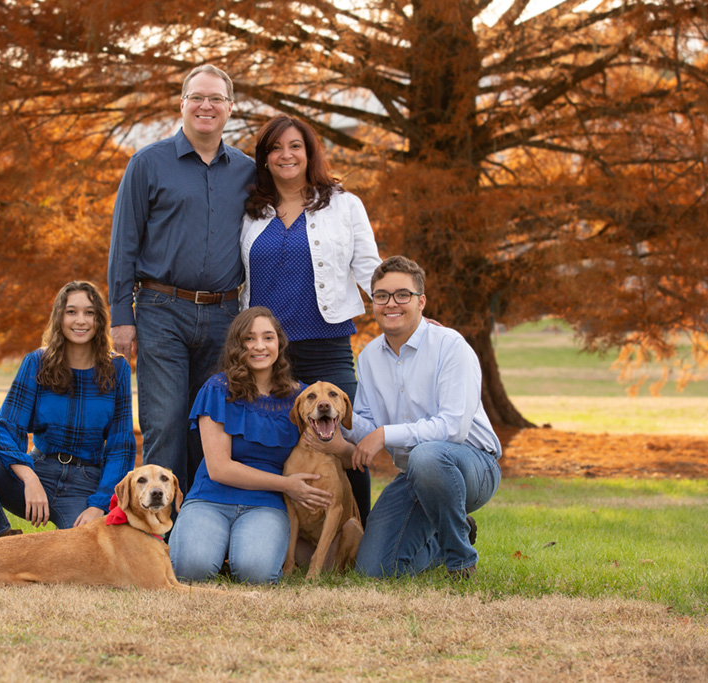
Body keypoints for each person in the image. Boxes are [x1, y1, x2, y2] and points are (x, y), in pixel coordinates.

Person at [108, 64, 256, 495]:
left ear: (230, 108)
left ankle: (199, 534)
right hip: (161, 311)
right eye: (197, 97)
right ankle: (157, 540)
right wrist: (122, 316)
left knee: (211, 426)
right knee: (166, 423)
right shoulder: (147, 164)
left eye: (215, 99)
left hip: (225, 314)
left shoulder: (247, 172)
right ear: (182, 104)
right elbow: (124, 244)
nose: (205, 106)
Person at [305, 256, 502, 580]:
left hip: (473, 467)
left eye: (402, 295)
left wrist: (383, 435)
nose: (390, 303)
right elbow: (365, 423)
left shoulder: (451, 346)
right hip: (415, 474)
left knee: (427, 456)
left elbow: (453, 428)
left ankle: (461, 560)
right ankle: (448, 536)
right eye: (381, 295)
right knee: (374, 570)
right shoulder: (368, 357)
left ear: (421, 301)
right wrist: (338, 428)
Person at [240, 114, 382, 526]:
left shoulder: (344, 205)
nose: (286, 155)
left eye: (295, 146)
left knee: (344, 440)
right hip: (267, 353)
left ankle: (362, 533)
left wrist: (412, 315)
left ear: (310, 152)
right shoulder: (251, 212)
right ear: (264, 159)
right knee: (276, 441)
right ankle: (278, 535)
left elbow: (370, 269)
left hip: (327, 344)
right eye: (275, 148)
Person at [0, 281, 136, 537]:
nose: (80, 320)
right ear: (59, 316)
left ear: (99, 319)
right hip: (39, 471)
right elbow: (4, 428)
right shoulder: (37, 362)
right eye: (71, 311)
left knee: (80, 560)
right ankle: (4, 539)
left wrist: (99, 504)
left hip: (85, 483)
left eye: (89, 312)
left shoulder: (117, 369)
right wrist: (29, 477)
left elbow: (120, 447)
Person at [169, 307, 333, 584]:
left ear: (279, 343)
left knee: (255, 573)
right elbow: (219, 469)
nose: (259, 346)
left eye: (268, 338)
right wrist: (288, 484)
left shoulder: (302, 398)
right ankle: (215, 549)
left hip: (266, 505)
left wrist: (360, 446)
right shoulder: (218, 388)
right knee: (191, 569)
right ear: (237, 345)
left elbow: (338, 444)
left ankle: (236, 551)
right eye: (249, 338)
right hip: (211, 498)